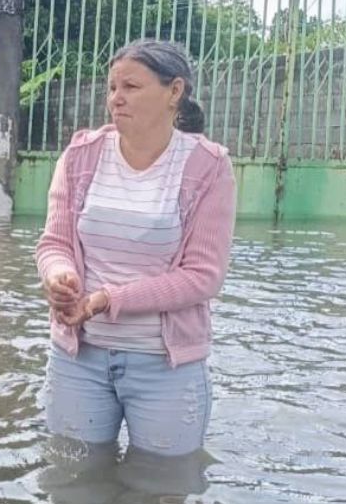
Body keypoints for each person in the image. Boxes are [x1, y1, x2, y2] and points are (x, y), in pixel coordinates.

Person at [36, 38, 237, 457]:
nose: (116, 99)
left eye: (131, 87)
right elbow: (55, 242)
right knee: (72, 492)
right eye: (112, 88)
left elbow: (203, 277)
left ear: (175, 91)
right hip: (79, 356)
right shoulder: (81, 155)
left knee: (161, 500)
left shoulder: (208, 166)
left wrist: (108, 299)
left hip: (166, 366)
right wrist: (59, 276)